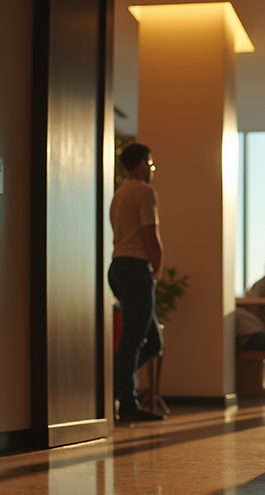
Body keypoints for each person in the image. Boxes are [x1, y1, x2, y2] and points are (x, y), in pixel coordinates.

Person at [108, 143, 166, 422]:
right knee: (134, 338)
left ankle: (117, 382)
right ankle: (126, 401)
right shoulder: (144, 192)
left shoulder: (118, 195)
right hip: (135, 268)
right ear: (143, 163)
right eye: (151, 164)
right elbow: (149, 233)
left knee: (153, 342)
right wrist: (158, 268)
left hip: (118, 267)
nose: (152, 169)